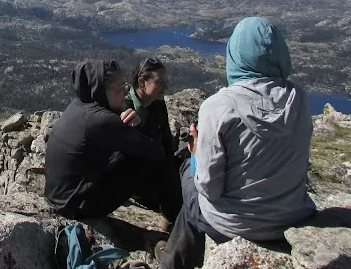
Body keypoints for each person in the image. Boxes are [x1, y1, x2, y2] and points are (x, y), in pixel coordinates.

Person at [158, 17, 316, 269]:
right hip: (293, 218)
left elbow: (209, 188)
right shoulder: (298, 99)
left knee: (187, 177)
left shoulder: (219, 106)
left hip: (234, 224)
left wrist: (197, 156)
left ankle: (172, 261)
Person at [45, 59, 182, 223]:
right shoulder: (101, 120)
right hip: (76, 206)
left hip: (60, 198)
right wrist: (135, 127)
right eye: (119, 89)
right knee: (150, 160)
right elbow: (154, 152)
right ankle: (175, 219)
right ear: (101, 91)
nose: (124, 93)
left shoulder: (80, 105)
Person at [124, 57, 182, 223]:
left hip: (157, 165)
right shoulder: (124, 109)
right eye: (160, 81)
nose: (166, 87)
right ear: (142, 82)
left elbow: (164, 136)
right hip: (137, 176)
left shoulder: (157, 102)